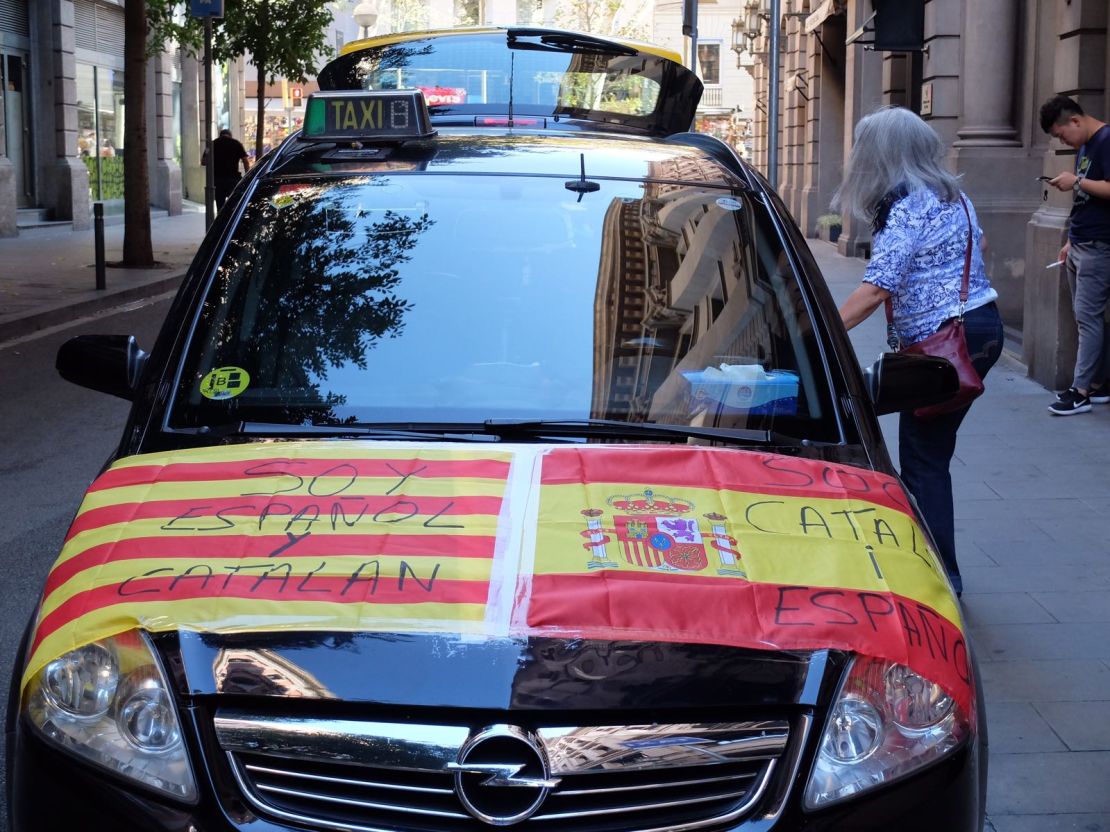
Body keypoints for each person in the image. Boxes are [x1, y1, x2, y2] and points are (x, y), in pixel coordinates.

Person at [833, 106, 1003, 598]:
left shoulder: (909, 204)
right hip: (980, 327)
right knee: (931, 452)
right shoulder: (955, 196)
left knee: (923, 460)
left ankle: (939, 583)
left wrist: (815, 333)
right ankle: (935, 569)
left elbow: (875, 288)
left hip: (944, 343)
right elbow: (981, 244)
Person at [1040, 95, 1110, 415]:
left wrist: (1077, 180)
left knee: (1087, 319)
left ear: (1076, 121)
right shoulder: (1085, 146)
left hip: (1099, 245)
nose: (1061, 140)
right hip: (1081, 243)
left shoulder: (1106, 140)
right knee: (1089, 318)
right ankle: (1097, 384)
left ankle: (1079, 392)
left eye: (1060, 133)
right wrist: (1070, 238)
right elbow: (1084, 200)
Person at [208, 128, 250, 210]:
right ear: (230, 136)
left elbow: (204, 161)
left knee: (220, 205)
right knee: (234, 204)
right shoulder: (236, 144)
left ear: (220, 136)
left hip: (217, 179)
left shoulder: (212, 144)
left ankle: (221, 221)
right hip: (233, 179)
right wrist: (247, 175)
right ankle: (231, 221)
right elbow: (246, 161)